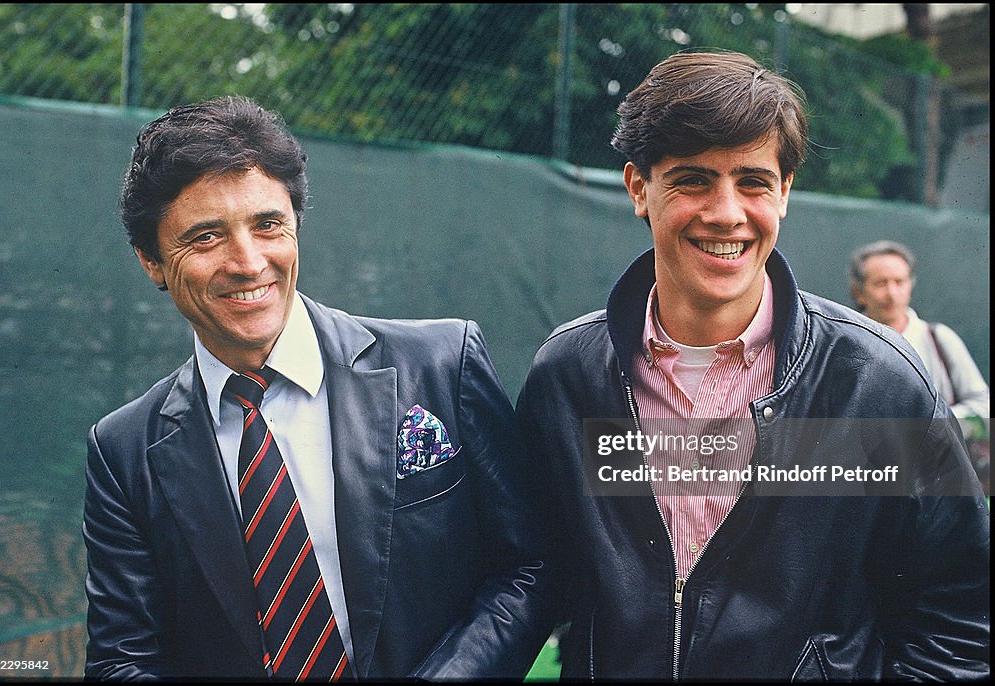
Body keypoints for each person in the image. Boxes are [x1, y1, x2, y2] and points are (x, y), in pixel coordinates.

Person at [516, 50, 989, 681]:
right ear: (638, 187)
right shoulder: (569, 375)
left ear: (785, 192)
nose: (726, 213)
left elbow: (961, 620)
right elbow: (533, 577)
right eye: (692, 179)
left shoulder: (876, 382)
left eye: (753, 181)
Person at [82, 95, 555, 680]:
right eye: (206, 237)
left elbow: (531, 566)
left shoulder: (441, 363)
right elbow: (122, 661)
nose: (248, 261)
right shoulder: (124, 451)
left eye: (268, 224)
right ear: (152, 260)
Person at [849, 240, 990, 434]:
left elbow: (984, 406)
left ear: (910, 286)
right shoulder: (847, 342)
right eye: (881, 284)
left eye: (899, 282)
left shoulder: (939, 339)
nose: (892, 293)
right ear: (859, 293)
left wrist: (936, 427)